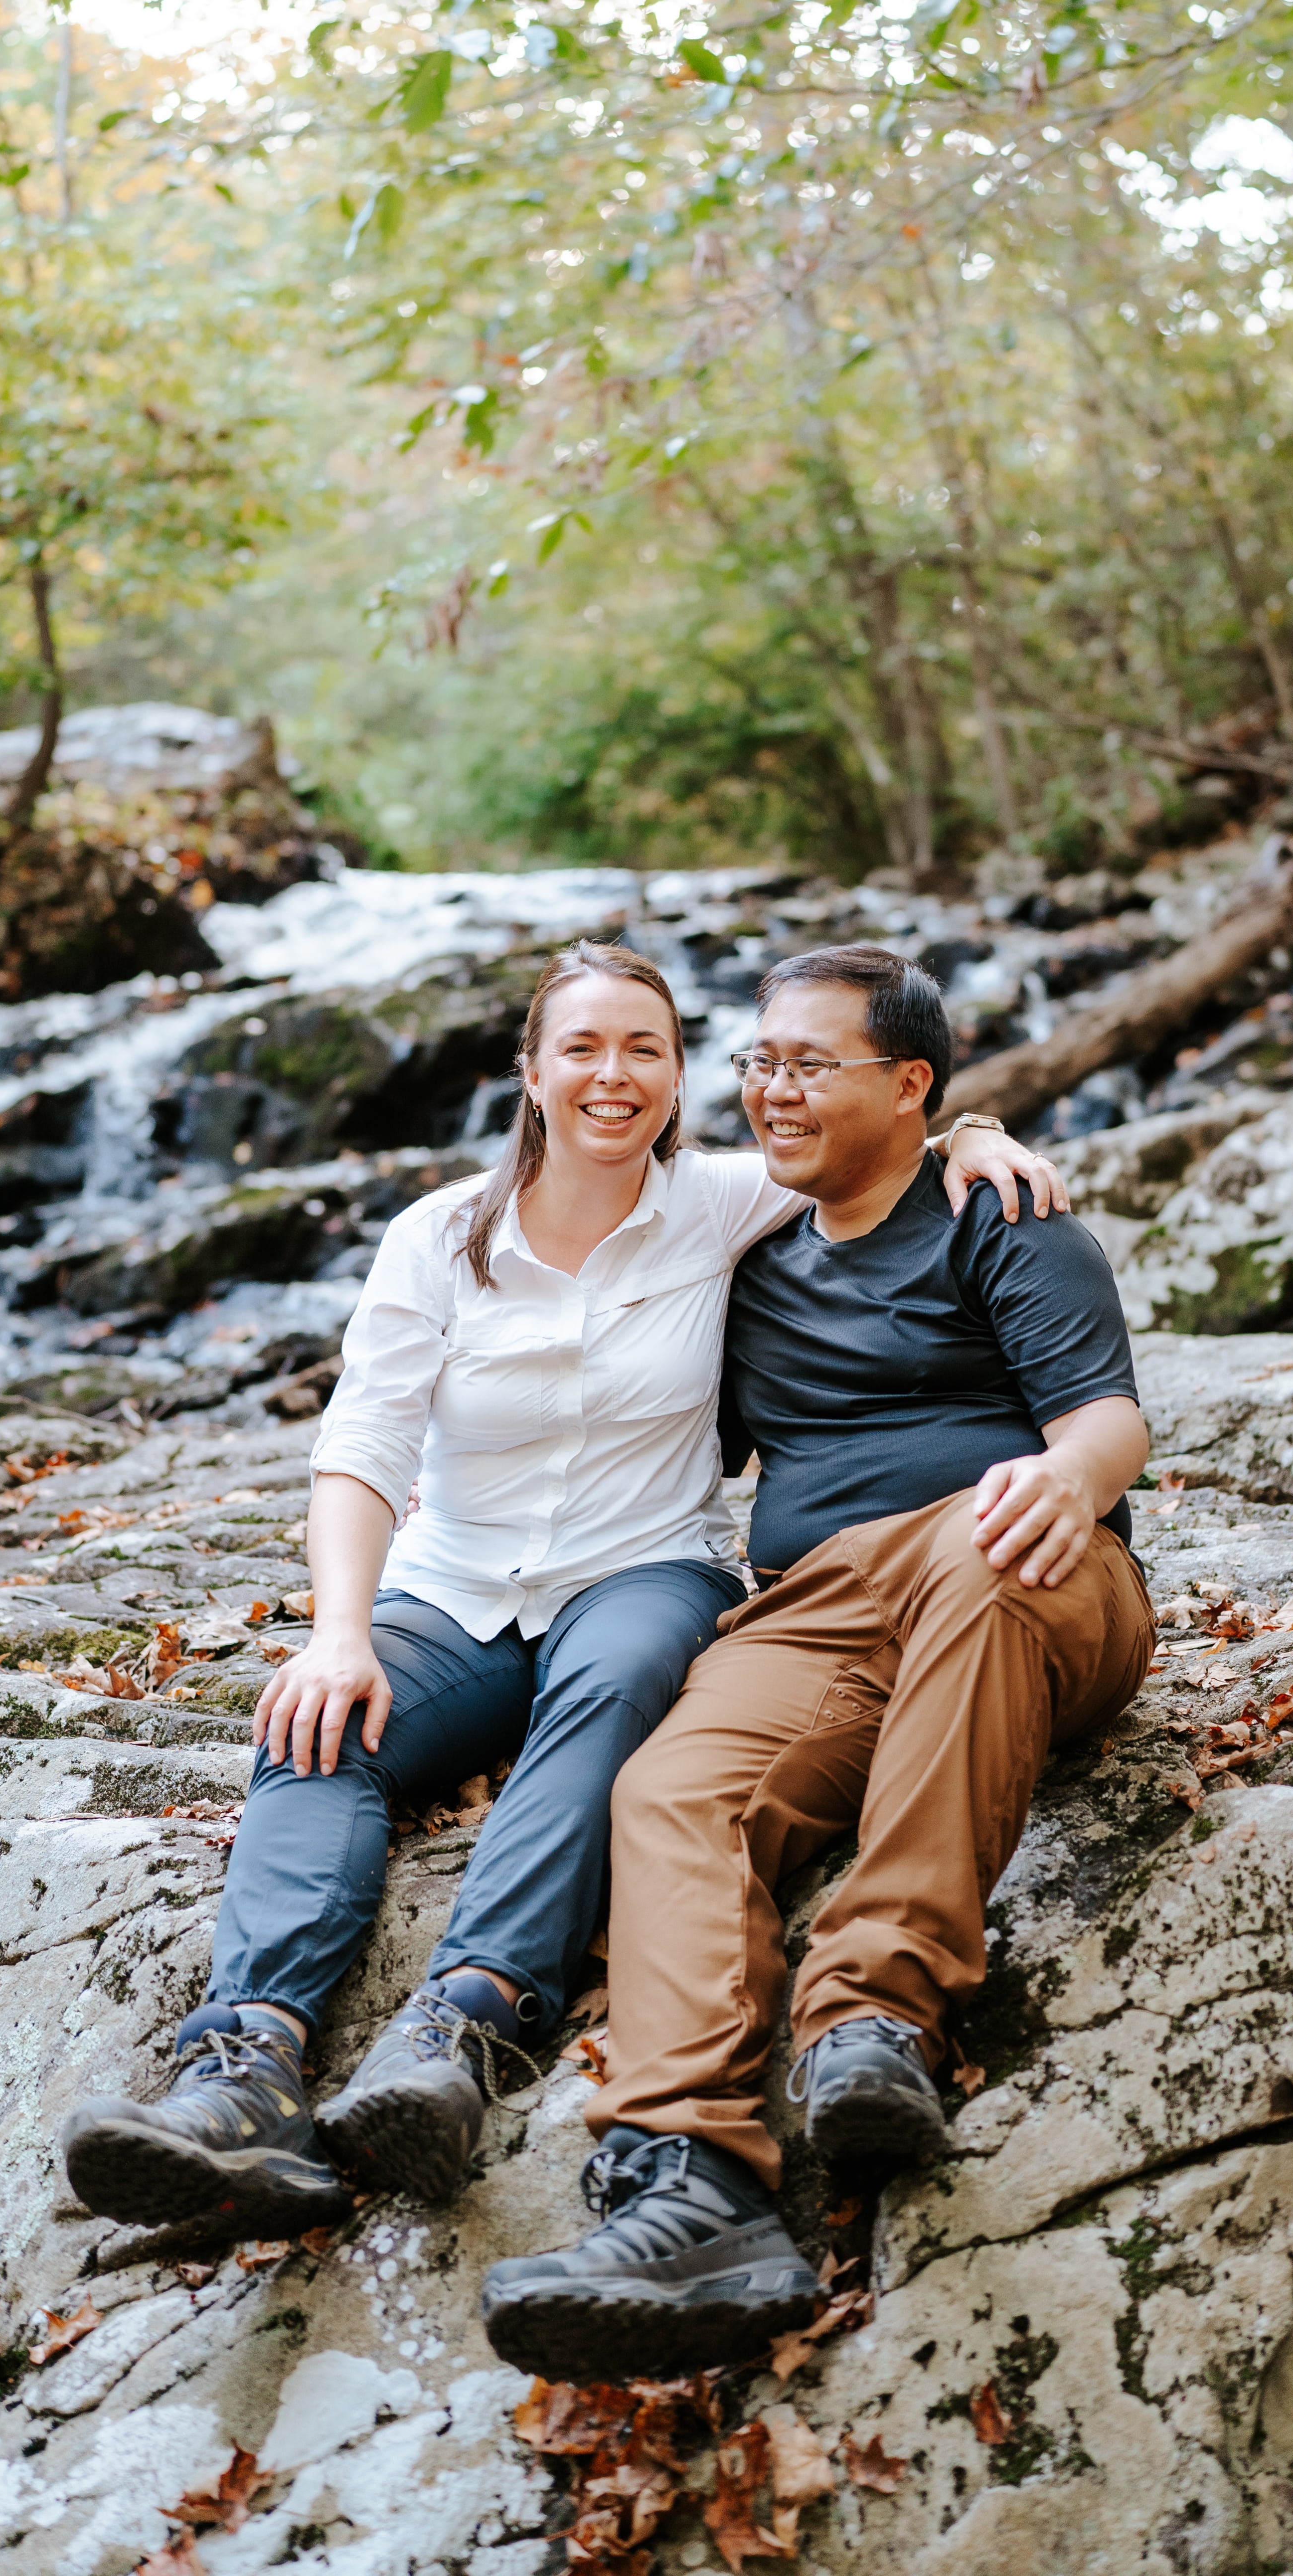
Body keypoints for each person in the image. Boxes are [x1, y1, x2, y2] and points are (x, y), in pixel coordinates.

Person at [59, 938, 1066, 2235]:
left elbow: (869, 1142)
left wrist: (973, 1130)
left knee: (622, 1683)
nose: (614, 1074)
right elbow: (362, 1446)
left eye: (645, 1048)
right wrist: (339, 1636)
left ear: (679, 1075)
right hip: (458, 1585)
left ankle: (464, 2030)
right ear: (529, 1073)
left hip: (642, 1571)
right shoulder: (435, 1237)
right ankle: (244, 2070)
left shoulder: (724, 1201)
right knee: (318, 1731)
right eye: (581, 1047)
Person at [480, 943, 1152, 2376]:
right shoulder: (748, 1253)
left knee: (984, 1553)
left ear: (909, 1086)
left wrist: (1064, 1481)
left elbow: (1106, 1420)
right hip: (816, 1610)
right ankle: (687, 2181)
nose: (771, 1094)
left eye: (807, 1066)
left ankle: (872, 2019)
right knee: (672, 1793)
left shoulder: (1002, 1217)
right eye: (759, 1066)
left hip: (1032, 1572)